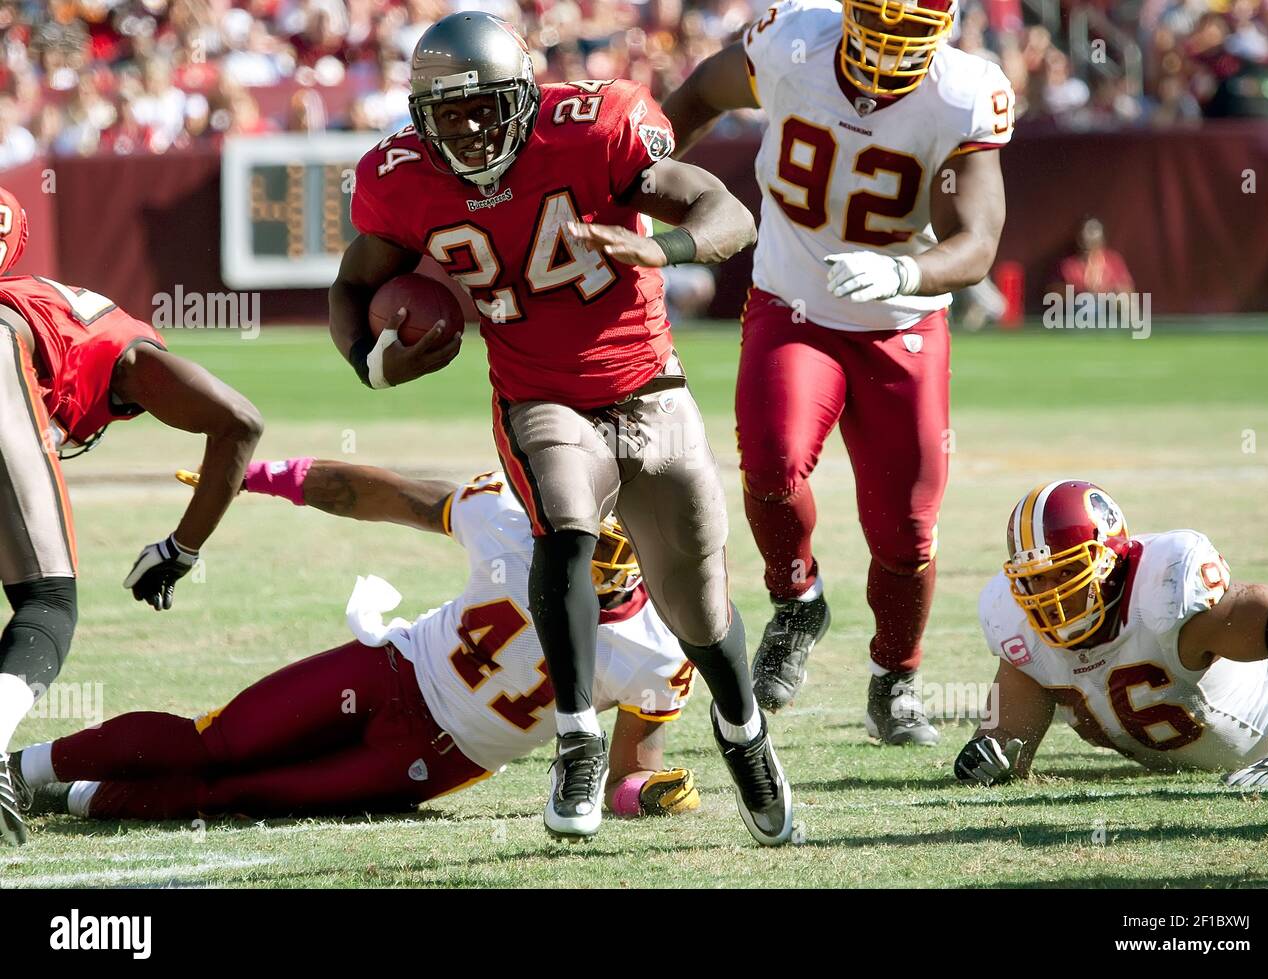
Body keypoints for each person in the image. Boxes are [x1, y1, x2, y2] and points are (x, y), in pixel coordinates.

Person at [327, 11, 791, 845]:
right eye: (450, 114)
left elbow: (728, 211)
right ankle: (577, 736)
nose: (469, 131)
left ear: (525, 96)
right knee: (566, 528)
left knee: (700, 609)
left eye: (485, 108)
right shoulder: (400, 178)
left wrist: (670, 249)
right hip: (538, 393)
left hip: (650, 384)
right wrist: (371, 361)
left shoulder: (596, 127)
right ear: (420, 117)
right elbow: (352, 283)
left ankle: (742, 728)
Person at [661, 0, 1013, 743]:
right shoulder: (794, 41)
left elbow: (977, 241)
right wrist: (636, 180)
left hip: (901, 324)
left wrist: (905, 274)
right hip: (794, 302)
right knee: (771, 460)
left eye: (905, 36)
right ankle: (797, 601)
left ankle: (896, 678)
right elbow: (695, 97)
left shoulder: (960, 93)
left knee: (906, 529)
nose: (885, 53)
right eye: (876, 28)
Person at [8, 462, 704, 826]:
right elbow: (383, 494)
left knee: (231, 792)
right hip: (386, 669)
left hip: (428, 760)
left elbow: (621, 779)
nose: (598, 556)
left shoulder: (659, 650)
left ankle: (74, 799)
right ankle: (18, 770)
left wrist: (649, 794)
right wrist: (258, 475)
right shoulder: (511, 520)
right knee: (215, 742)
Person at [0, 187, 264, 846]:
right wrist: (183, 547)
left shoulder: (42, 313)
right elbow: (239, 421)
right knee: (47, 601)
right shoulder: (121, 347)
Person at [954, 480, 1268, 789]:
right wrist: (985, 757)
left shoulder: (1165, 592)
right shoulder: (1020, 627)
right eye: (1036, 577)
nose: (1049, 593)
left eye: (1067, 572)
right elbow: (1007, 740)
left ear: (1109, 562)